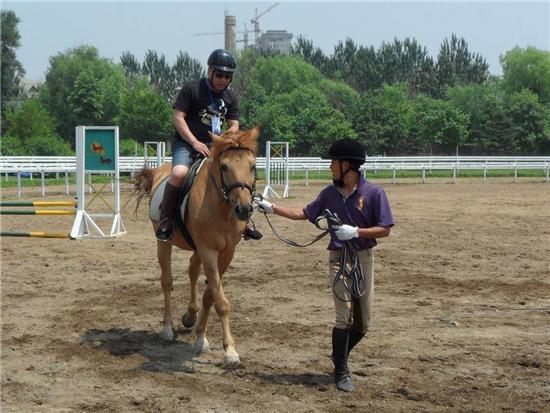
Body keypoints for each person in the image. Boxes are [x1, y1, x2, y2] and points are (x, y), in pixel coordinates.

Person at [258, 139, 394, 392]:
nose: (330, 167)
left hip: (363, 258)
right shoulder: (329, 194)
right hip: (338, 259)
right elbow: (304, 213)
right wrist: (272, 208)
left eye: (333, 163)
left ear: (347, 166)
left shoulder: (374, 193)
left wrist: (356, 232)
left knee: (363, 324)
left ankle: (338, 354)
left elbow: (384, 229)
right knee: (343, 315)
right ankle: (341, 370)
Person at [155, 48, 262, 242]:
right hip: (187, 143)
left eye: (228, 76)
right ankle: (166, 219)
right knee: (179, 173)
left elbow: (234, 123)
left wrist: (229, 135)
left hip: (216, 146)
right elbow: (178, 118)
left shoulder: (230, 97)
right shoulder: (192, 89)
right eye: (219, 74)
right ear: (210, 71)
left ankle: (244, 221)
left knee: (237, 173)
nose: (223, 79)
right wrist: (194, 142)